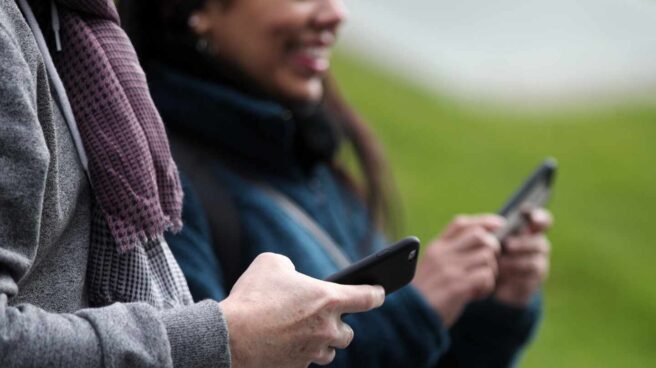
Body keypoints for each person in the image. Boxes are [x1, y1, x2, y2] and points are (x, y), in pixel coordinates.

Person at [121, 0, 552, 366]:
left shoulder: (302, 148)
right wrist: (416, 313)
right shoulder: (159, 180)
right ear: (200, 10)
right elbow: (208, 357)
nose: (335, 14)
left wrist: (488, 309)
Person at [0, 1, 385, 367]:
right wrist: (225, 340)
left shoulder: (80, 38)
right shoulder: (185, 174)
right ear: (199, 10)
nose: (336, 13)